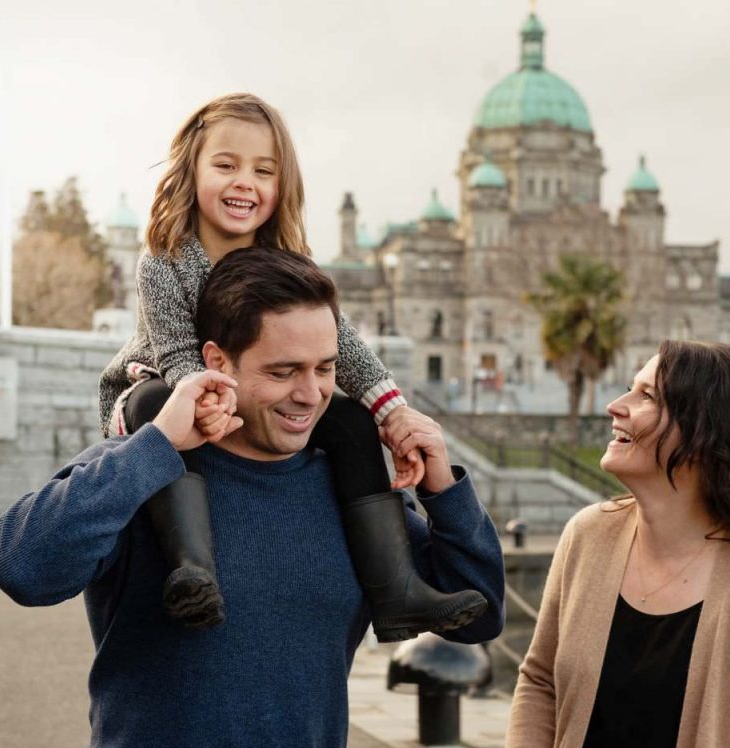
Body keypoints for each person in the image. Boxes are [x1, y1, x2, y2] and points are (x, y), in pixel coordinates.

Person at [0, 247, 505, 748]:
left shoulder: (354, 494)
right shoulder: (146, 473)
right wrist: (155, 445)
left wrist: (444, 490)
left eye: (326, 368)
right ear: (216, 360)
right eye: (283, 371)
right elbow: (24, 567)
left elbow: (478, 614)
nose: (310, 394)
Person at [98, 92, 487, 637]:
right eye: (226, 165)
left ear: (282, 185)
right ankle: (192, 569)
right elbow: (177, 353)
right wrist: (205, 400)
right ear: (191, 172)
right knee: (157, 404)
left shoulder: (290, 264)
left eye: (264, 170)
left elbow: (343, 346)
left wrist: (391, 410)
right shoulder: (164, 260)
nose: (244, 183)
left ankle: (397, 589)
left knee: (351, 423)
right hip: (166, 385)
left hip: (255, 394)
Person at [503, 339, 730, 748]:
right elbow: (539, 681)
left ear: (704, 433)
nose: (615, 407)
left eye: (647, 396)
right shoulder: (587, 535)